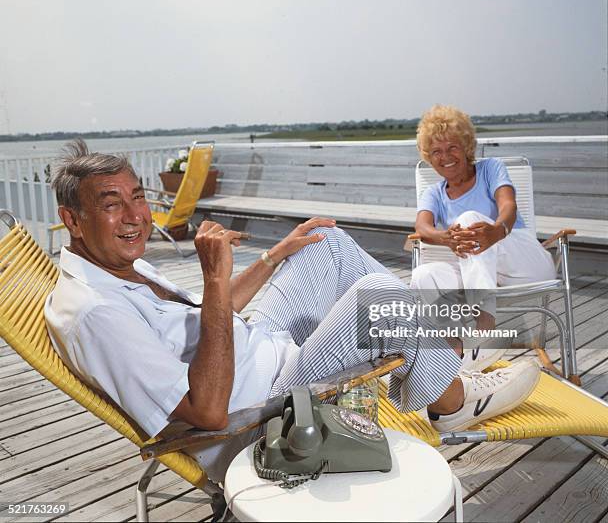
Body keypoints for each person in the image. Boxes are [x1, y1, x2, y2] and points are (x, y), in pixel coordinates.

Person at [44, 140, 540, 482]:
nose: (136, 217)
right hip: (261, 412)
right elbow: (208, 412)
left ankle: (439, 351)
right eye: (112, 205)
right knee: (374, 294)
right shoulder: (95, 313)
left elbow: (207, 321)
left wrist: (274, 255)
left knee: (326, 243)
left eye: (137, 197)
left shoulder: (117, 268)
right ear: (74, 220)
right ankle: (452, 401)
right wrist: (215, 280)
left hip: (259, 347)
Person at [411, 105, 556, 370]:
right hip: (481, 274)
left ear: (466, 146)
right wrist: (447, 238)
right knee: (424, 276)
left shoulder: (491, 169)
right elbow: (422, 227)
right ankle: (456, 354)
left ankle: (484, 328)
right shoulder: (434, 193)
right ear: (430, 158)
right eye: (436, 152)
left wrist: (497, 230)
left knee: (468, 220)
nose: (446, 157)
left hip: (524, 263)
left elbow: (508, 206)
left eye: (452, 147)